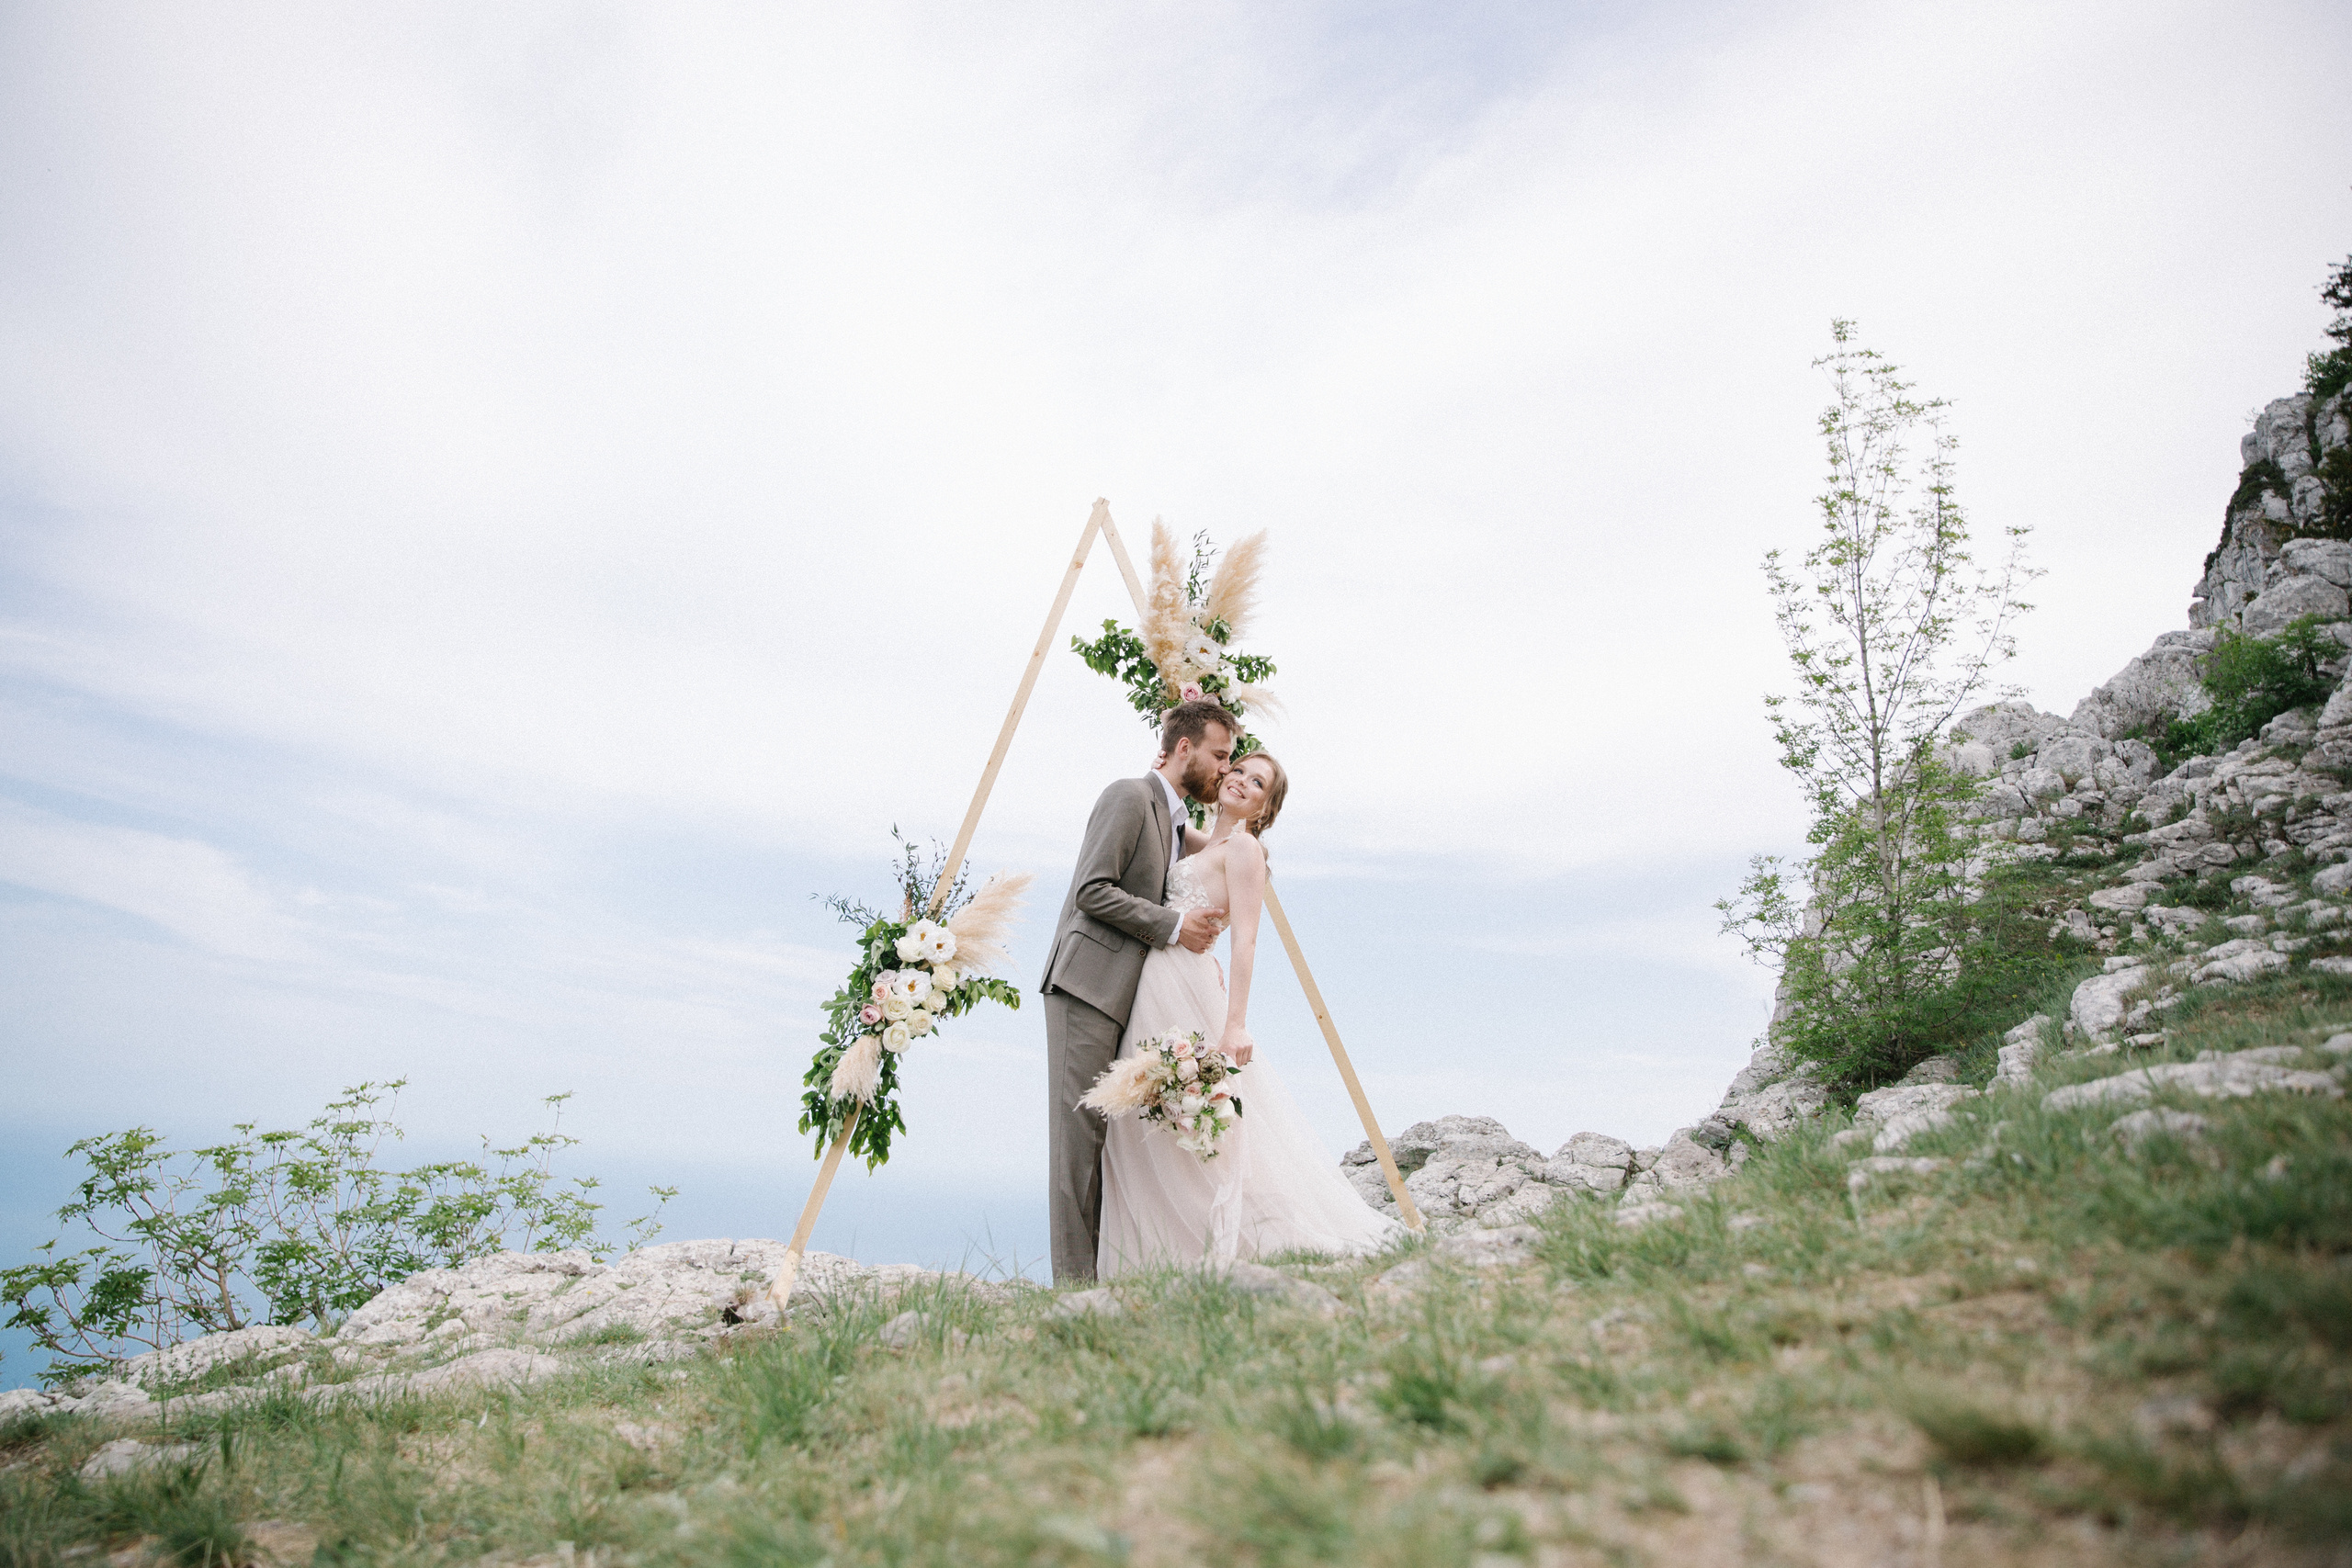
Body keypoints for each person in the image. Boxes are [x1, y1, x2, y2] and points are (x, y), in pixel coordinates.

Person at [1093, 747, 1402, 1276]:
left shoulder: (1245, 850)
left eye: (1257, 783)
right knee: (1151, 1111)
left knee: (1197, 1116)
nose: (1240, 781)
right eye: (1237, 769)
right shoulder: (1197, 839)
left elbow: (1247, 942)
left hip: (1184, 989)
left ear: (1264, 808)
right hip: (1153, 985)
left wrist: (1234, 1021)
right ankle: (1157, 1252)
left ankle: (1232, 1237)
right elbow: (1164, 807)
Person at [1038, 699, 1236, 1283]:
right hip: (1086, 988)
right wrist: (1174, 926)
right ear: (1183, 750)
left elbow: (1226, 850)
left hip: (1128, 997)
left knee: (1112, 1140)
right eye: (1220, 756)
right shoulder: (1129, 795)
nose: (1225, 769)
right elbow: (1091, 891)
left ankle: (1107, 1275)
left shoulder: (1175, 822)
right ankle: (1075, 1290)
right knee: (1079, 1140)